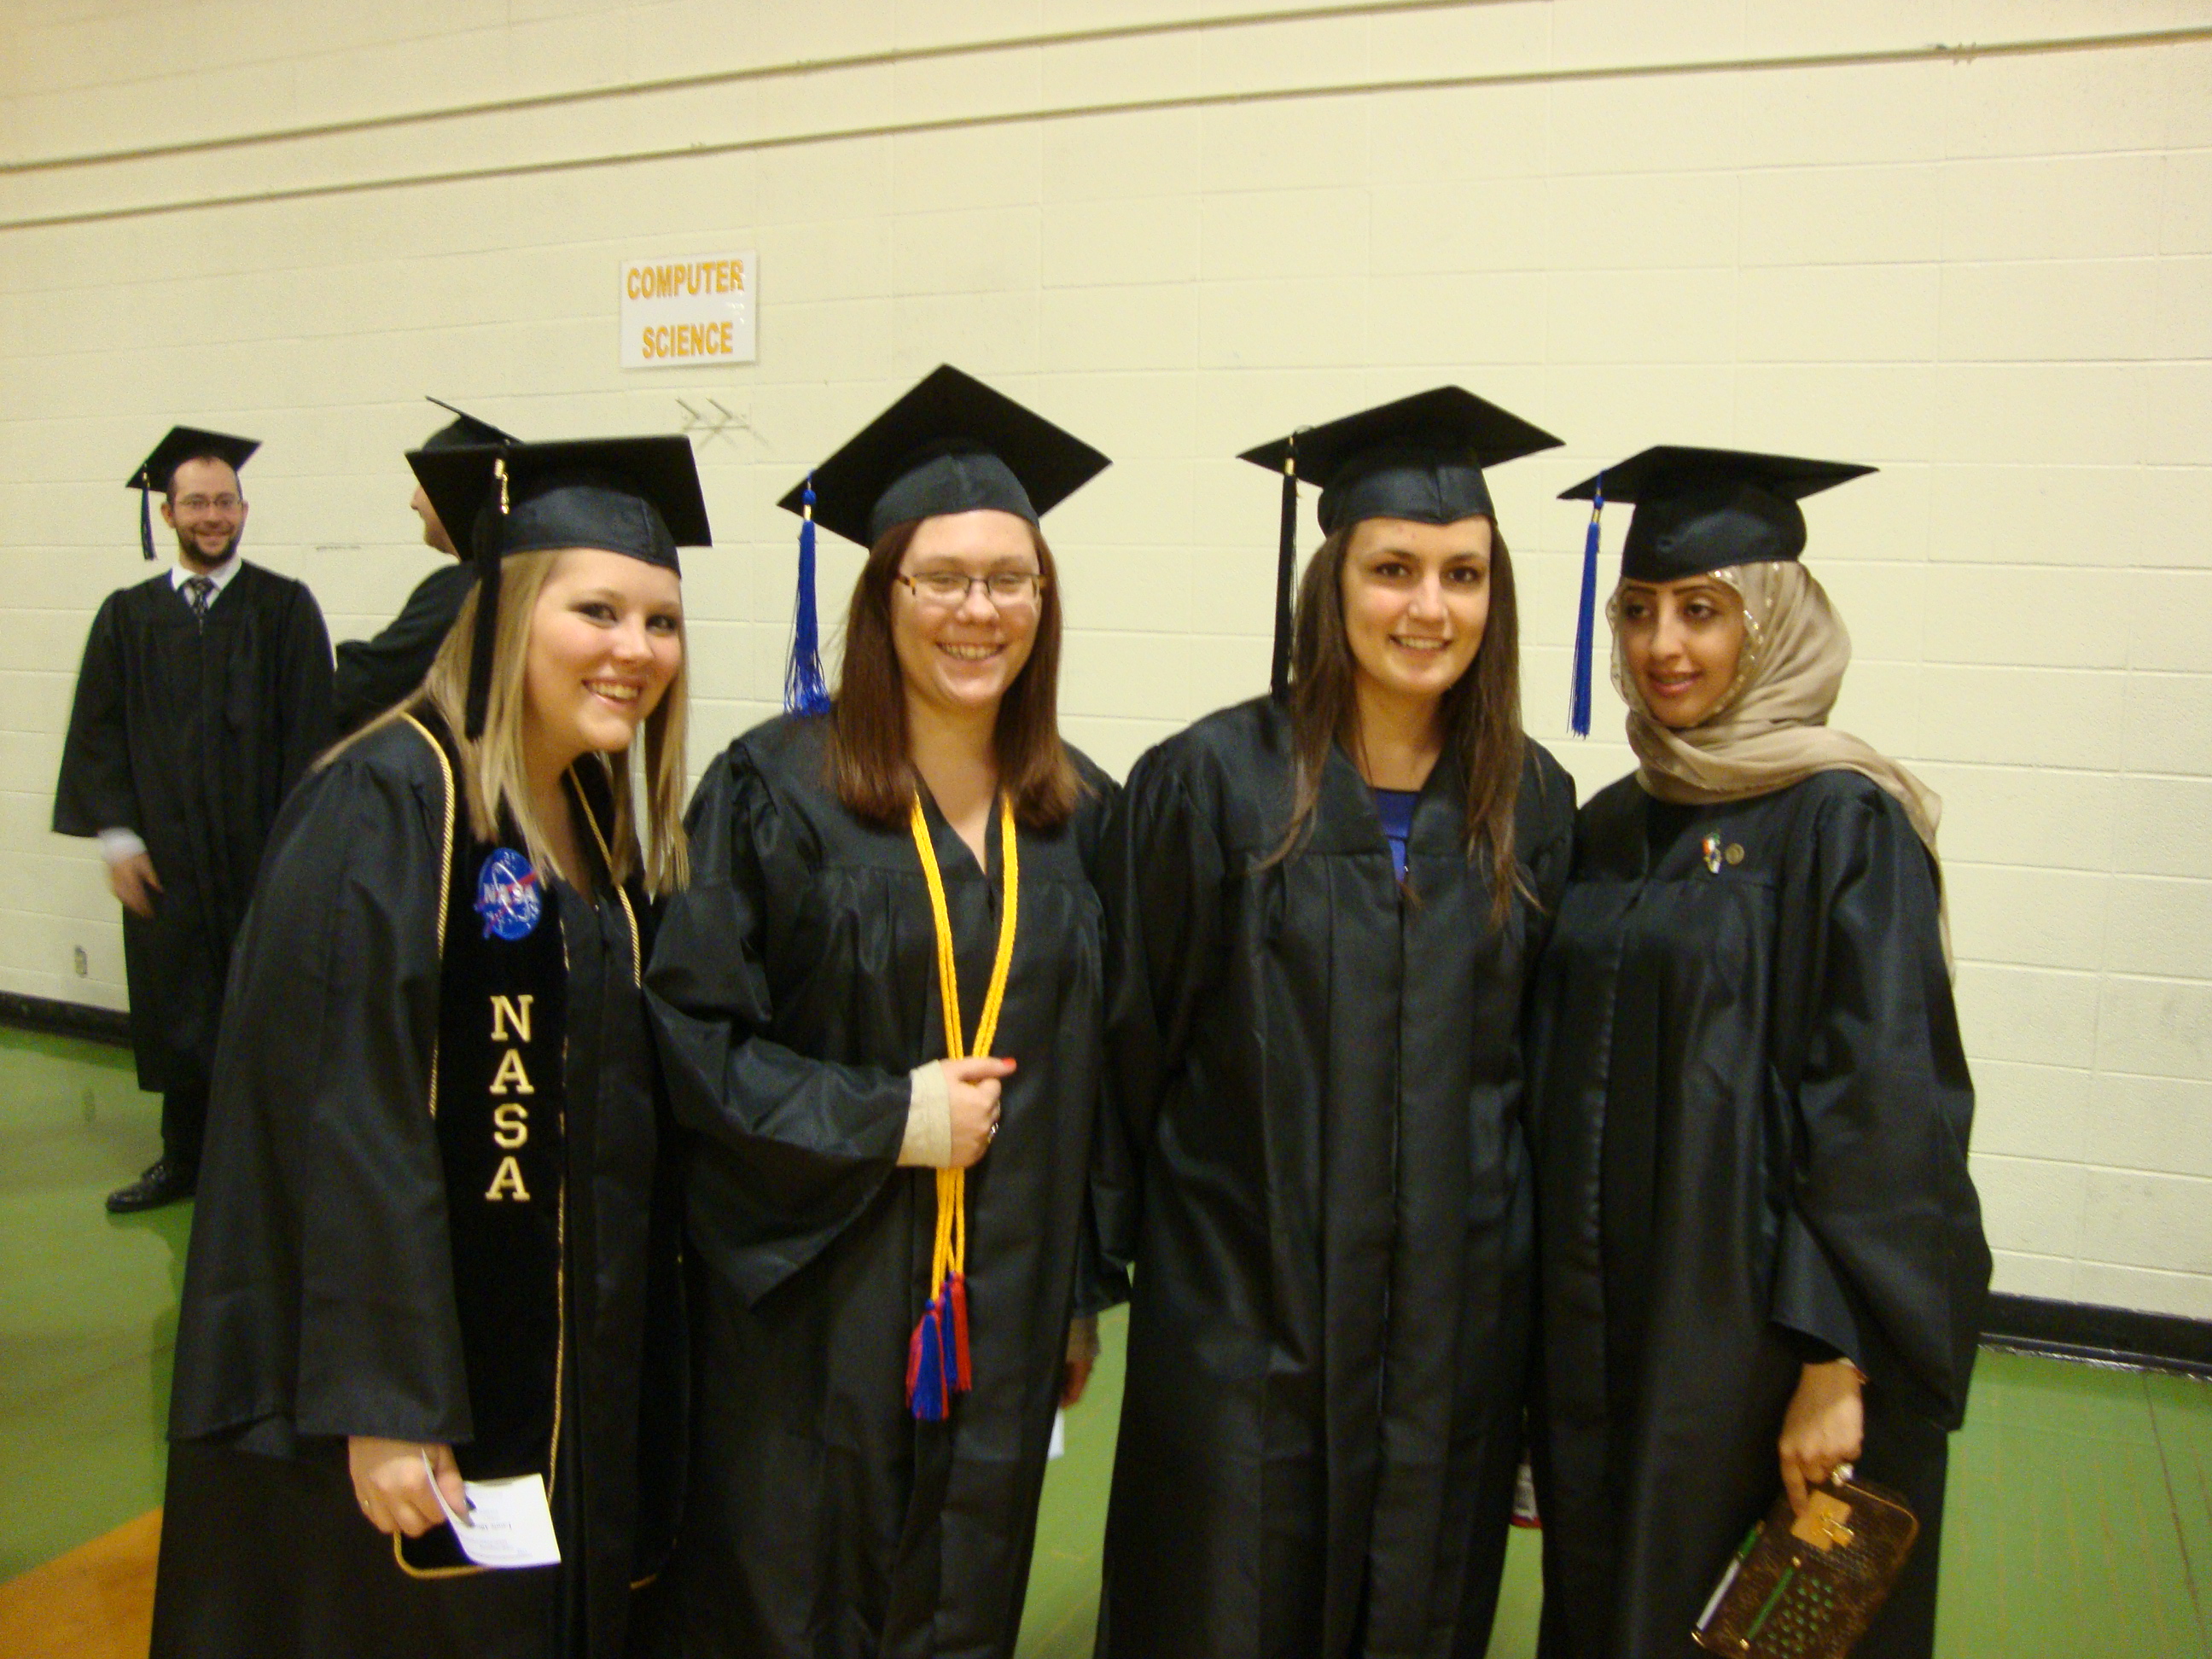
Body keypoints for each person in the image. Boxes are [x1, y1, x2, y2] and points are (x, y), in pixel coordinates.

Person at [148, 434, 706, 1659]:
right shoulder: (390, 800)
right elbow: (336, 1116)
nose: (636, 651)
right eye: (598, 610)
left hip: (556, 1363)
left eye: (661, 621)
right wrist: (384, 1404)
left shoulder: (593, 813)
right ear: (503, 607)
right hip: (411, 1393)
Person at [1091, 387, 1577, 1659]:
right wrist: (1091, 1283)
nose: (1430, 607)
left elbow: (1533, 1078)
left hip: (1451, 1335)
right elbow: (1129, 1048)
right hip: (1246, 1325)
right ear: (1333, 582)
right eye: (1394, 569)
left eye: (1464, 574)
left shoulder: (1532, 798)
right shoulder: (1210, 782)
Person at [644, 364, 1116, 1659]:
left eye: (1009, 580)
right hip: (815, 1303)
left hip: (1007, 1306)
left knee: (968, 1591)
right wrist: (886, 1115)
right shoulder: (772, 794)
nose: (980, 611)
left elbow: (1102, 1085)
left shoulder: (1082, 814)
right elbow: (688, 1040)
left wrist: (1073, 1287)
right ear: (881, 594)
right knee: (800, 1595)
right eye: (943, 578)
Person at [1528, 447, 1990, 1659]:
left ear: (1774, 623)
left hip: (1759, 1349)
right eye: (1639, 613)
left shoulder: (1843, 821)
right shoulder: (1615, 825)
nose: (1663, 645)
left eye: (1703, 611)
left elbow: (1883, 1104)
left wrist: (1838, 1363)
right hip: (1609, 1329)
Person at [53, 426, 334, 1212]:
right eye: (196, 503)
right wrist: (118, 837)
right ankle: (184, 1160)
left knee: (267, 1002)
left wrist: (303, 851)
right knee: (178, 1003)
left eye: (225, 501)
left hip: (266, 851)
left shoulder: (284, 609)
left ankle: (272, 1170)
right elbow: (98, 729)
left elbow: (313, 733)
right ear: (168, 513)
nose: (213, 516)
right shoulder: (127, 617)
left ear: (243, 509)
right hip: (167, 856)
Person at [332, 399, 520, 737]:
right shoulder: (517, 579)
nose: (414, 500)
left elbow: (362, 686)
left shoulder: (462, 588)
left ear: (455, 490)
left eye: (423, 483)